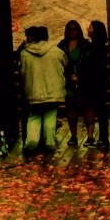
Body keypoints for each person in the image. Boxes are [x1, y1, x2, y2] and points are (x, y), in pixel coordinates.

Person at [18, 24, 67, 155]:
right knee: (50, 117)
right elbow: (65, 64)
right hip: (53, 91)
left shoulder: (24, 54)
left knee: (34, 117)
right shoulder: (56, 51)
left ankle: (32, 142)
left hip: (34, 91)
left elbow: (22, 71)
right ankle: (49, 143)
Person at [81, 20, 110, 148]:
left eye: (91, 27)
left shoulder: (96, 47)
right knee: (100, 111)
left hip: (96, 83)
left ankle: (103, 139)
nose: (88, 28)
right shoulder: (94, 45)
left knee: (101, 111)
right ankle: (102, 139)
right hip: (96, 82)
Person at [58, 20, 87, 147]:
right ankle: (73, 135)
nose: (72, 31)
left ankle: (90, 136)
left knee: (86, 107)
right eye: (70, 29)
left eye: (75, 29)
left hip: (84, 80)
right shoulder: (62, 45)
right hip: (68, 81)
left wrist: (80, 75)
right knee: (70, 109)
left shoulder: (85, 45)